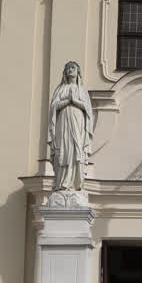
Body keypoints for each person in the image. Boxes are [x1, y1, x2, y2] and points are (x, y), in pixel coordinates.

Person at [47, 60, 94, 193]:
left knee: (76, 148)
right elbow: (53, 107)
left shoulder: (81, 90)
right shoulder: (60, 89)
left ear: (78, 71)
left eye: (73, 67)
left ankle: (75, 182)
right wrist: (67, 101)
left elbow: (88, 109)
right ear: (65, 72)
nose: (70, 70)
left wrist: (75, 101)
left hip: (78, 122)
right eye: (68, 68)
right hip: (63, 122)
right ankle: (62, 182)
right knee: (63, 148)